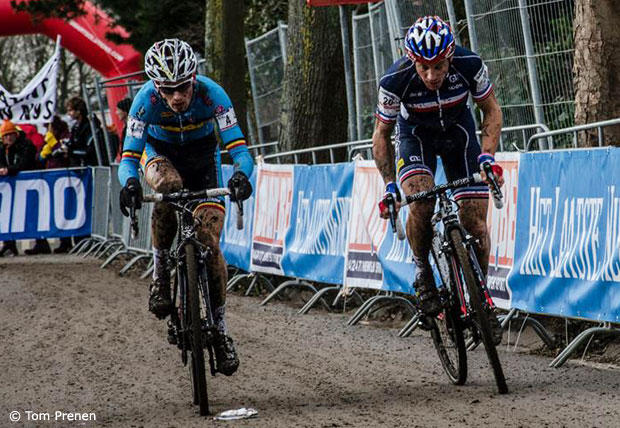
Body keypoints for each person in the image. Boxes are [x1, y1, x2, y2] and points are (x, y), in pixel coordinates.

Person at [117, 38, 254, 376]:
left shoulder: (213, 95)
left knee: (210, 242)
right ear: (156, 87)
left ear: (194, 79)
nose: (176, 96)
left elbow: (239, 150)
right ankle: (160, 273)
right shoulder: (144, 102)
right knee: (169, 187)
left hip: (203, 159)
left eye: (182, 87)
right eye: (167, 89)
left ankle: (220, 331)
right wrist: (130, 184)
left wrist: (241, 176)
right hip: (160, 155)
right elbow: (129, 158)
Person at [372, 16, 505, 344]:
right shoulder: (395, 79)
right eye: (423, 68)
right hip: (416, 138)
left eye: (439, 67)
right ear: (412, 61)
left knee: (476, 224)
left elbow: (491, 110)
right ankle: (423, 273)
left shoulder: (469, 64)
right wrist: (389, 184)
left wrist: (487, 157)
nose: (431, 76)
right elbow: (382, 135)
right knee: (422, 202)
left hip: (459, 134)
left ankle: (481, 297)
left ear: (450, 57)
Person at [0, 120, 37, 256]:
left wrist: (8, 170)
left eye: (10, 134)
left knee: (33, 213)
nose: (8, 138)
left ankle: (41, 243)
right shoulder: (3, 148)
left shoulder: (26, 145)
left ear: (16, 134)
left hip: (30, 185)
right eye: (6, 135)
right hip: (11, 188)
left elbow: (24, 163)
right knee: (8, 214)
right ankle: (9, 244)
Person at [38, 115, 74, 254]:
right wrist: (44, 153)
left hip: (62, 177)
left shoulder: (64, 135)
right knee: (56, 211)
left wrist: (53, 143)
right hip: (51, 177)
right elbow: (39, 156)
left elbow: (64, 152)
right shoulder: (47, 136)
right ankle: (62, 240)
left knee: (64, 209)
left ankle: (66, 241)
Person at [65, 96, 105, 166]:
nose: (68, 113)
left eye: (70, 110)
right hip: (80, 166)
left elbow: (90, 151)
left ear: (78, 111)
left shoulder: (90, 126)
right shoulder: (75, 127)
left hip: (92, 166)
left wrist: (70, 151)